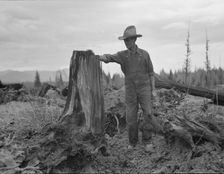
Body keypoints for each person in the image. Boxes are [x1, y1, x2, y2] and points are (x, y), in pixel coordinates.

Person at [97, 25, 163, 151]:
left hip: (145, 89)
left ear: (134, 40)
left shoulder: (144, 55)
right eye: (125, 41)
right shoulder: (123, 56)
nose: (126, 43)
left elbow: (151, 73)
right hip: (130, 90)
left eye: (128, 40)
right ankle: (132, 142)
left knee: (148, 114)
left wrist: (153, 90)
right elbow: (110, 57)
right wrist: (100, 57)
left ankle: (147, 140)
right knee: (131, 117)